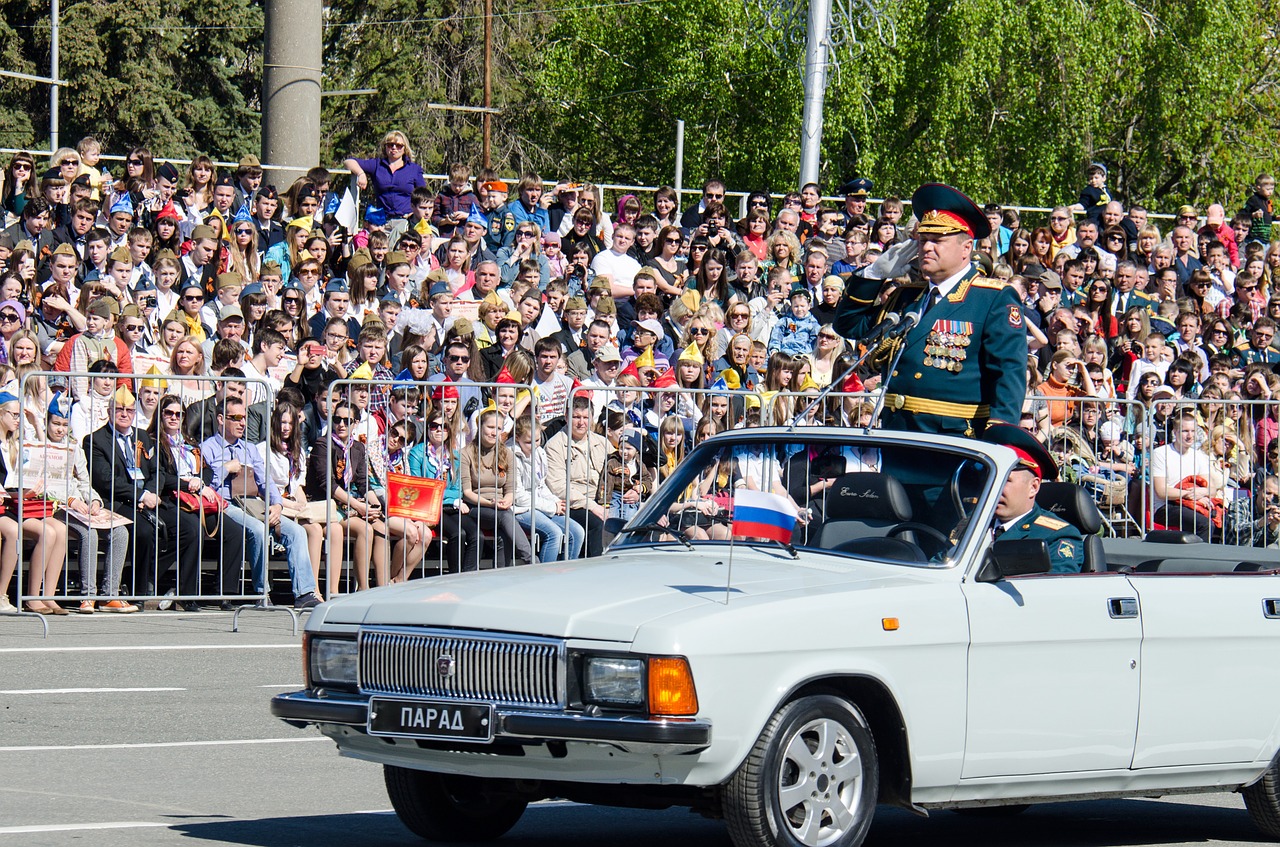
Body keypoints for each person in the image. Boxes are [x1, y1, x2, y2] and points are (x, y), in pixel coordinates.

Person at [833, 182, 1027, 436]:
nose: (926, 247)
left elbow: (1008, 378)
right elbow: (848, 324)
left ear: (966, 248)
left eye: (937, 240)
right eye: (922, 239)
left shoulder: (993, 299)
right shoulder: (907, 297)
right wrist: (874, 273)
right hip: (899, 437)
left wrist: (1001, 441)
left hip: (957, 441)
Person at [200, 394, 322, 608]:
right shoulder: (207, 448)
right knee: (257, 529)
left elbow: (265, 482)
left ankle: (304, 593)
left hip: (253, 503)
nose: (242, 423)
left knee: (297, 532)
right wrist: (224, 469)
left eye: (244, 417)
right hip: (225, 505)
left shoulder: (249, 448)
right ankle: (261, 592)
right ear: (221, 419)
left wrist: (276, 504)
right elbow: (205, 488)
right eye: (235, 417)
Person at [86, 386, 195, 607]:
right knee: (144, 532)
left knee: (190, 529)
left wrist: (152, 492)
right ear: (109, 411)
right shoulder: (96, 440)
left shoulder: (143, 436)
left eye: (129, 410)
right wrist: (141, 494)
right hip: (119, 501)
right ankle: (138, 591)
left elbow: (157, 471)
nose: (124, 414)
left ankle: (183, 593)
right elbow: (105, 480)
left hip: (149, 499)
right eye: (119, 409)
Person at [983, 423, 1084, 573]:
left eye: (1005, 480)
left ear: (1033, 487)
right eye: (992, 479)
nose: (995, 487)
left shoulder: (1056, 536)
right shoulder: (973, 525)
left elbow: (1055, 589)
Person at [545, 395, 610, 557]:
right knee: (596, 524)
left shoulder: (602, 443)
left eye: (586, 417)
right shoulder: (555, 445)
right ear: (567, 417)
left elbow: (618, 470)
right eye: (576, 417)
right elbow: (558, 486)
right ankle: (595, 568)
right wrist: (591, 505)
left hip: (604, 500)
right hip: (573, 504)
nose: (581, 422)